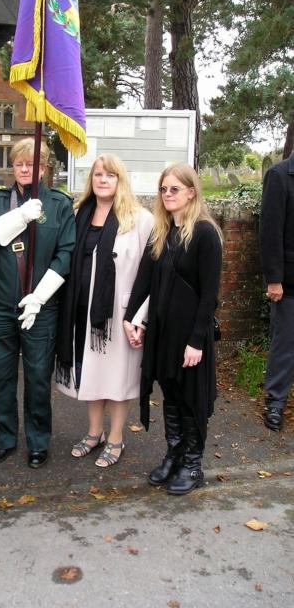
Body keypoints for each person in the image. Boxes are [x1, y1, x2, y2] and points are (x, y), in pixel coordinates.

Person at [0, 137, 75, 468]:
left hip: (41, 308)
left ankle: (37, 441)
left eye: (31, 163)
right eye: (18, 163)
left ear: (43, 167)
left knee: (36, 378)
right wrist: (19, 216)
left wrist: (40, 296)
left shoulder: (59, 205)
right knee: (0, 376)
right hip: (0, 307)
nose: (24, 168)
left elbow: (66, 254)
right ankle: (5, 438)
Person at [124, 163, 222, 495]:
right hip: (163, 333)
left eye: (174, 189)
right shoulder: (162, 232)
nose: (167, 194)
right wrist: (132, 319)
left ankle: (193, 465)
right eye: (164, 189)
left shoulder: (206, 233)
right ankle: (175, 454)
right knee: (171, 396)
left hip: (190, 336)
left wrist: (196, 341)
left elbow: (209, 295)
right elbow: (144, 280)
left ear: (191, 192)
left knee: (190, 398)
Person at [56, 154, 153, 467]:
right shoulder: (77, 214)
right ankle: (94, 432)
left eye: (110, 175)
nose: (103, 180)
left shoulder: (139, 219)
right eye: (98, 174)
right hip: (81, 311)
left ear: (120, 180)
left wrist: (139, 317)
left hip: (117, 316)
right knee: (91, 376)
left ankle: (115, 438)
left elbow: (150, 274)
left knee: (117, 379)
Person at [259, 152, 294, 431]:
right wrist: (274, 279)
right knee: (285, 346)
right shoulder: (279, 175)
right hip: (289, 283)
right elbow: (270, 230)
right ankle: (275, 403)